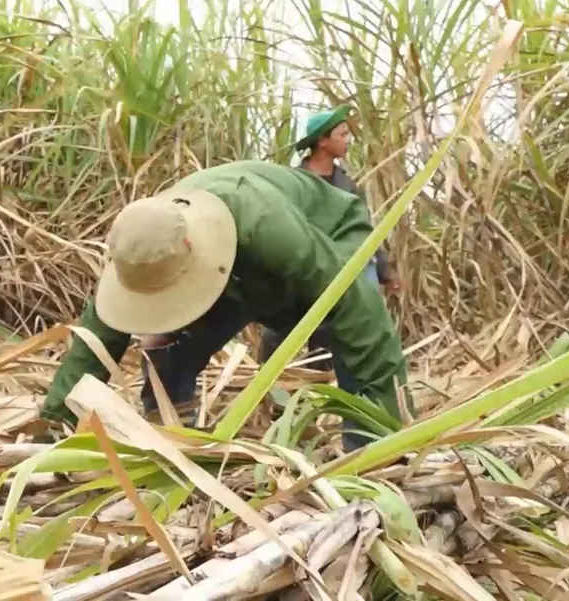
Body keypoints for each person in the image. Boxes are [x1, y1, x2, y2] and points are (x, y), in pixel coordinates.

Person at [38, 160, 409, 451]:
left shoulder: (264, 225)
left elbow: (361, 313)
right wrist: (56, 424)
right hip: (243, 272)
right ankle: (174, 444)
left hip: (327, 233)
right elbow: (95, 345)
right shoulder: (138, 250)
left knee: (347, 330)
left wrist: (385, 426)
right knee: (168, 349)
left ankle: (368, 446)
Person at [259, 105, 401, 369]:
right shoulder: (292, 182)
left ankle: (321, 395)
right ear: (323, 141)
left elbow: (361, 231)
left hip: (337, 271)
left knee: (328, 337)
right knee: (276, 333)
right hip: (298, 269)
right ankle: (267, 398)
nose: (348, 140)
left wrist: (384, 271)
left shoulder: (346, 186)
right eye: (342, 135)